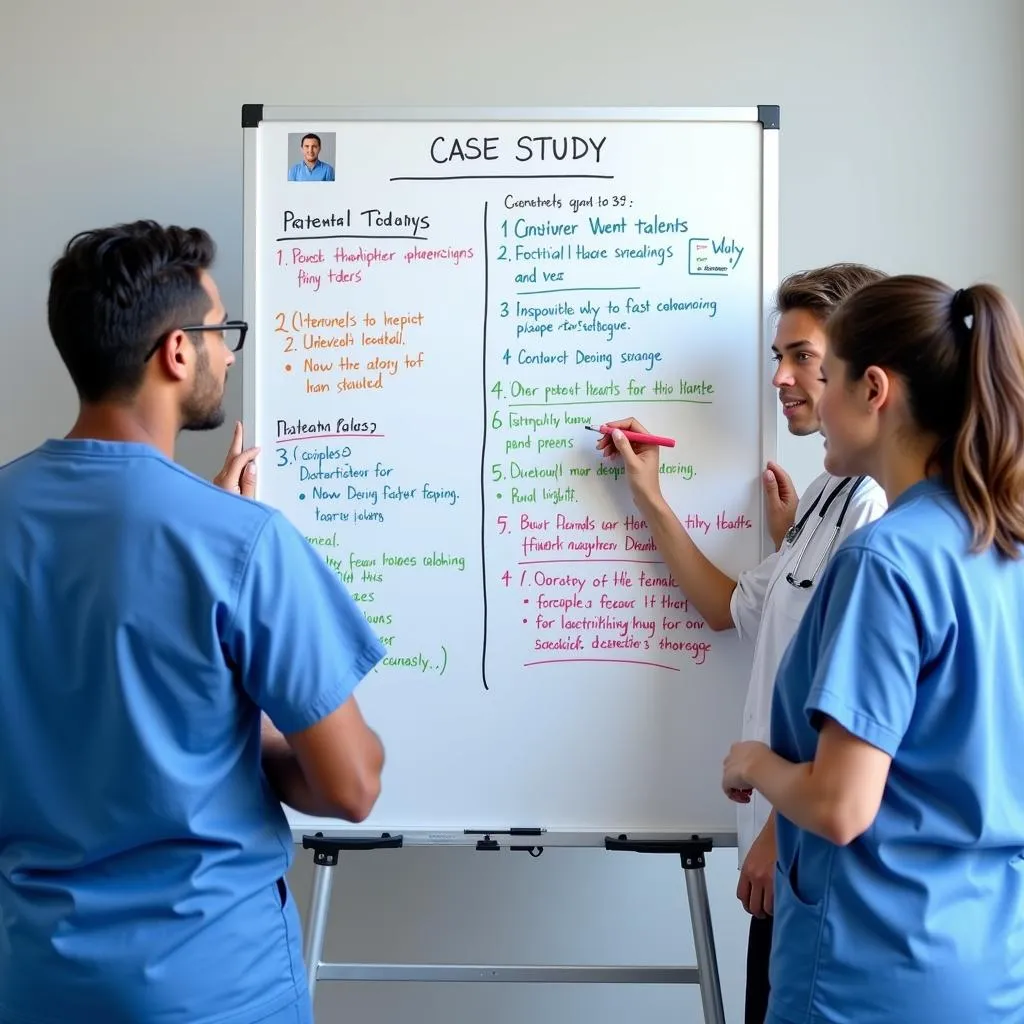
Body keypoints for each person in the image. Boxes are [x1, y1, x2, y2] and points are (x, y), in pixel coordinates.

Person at [0, 220, 385, 1024]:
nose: (231, 354)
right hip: (216, 988)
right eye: (223, 334)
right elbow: (351, 784)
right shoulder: (241, 542)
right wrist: (250, 741)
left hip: (35, 982)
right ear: (178, 352)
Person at [722, 275, 1024, 1023]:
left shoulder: (884, 563)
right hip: (989, 967)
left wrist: (753, 761)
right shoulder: (1001, 545)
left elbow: (840, 805)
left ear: (874, 389)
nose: (813, 402)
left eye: (826, 377)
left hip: (867, 976)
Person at [594, 264, 889, 1023]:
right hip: (781, 861)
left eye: (801, 356)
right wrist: (650, 498)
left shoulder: (876, 509)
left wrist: (776, 838)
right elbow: (728, 608)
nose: (781, 377)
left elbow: (856, 707)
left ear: (859, 367)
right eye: (777, 358)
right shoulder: (829, 491)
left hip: (804, 858)